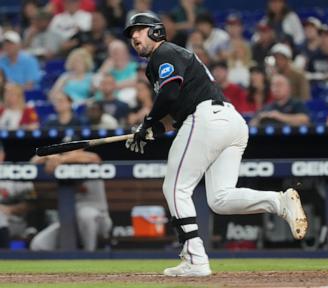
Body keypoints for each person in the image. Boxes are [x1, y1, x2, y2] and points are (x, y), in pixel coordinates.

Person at [123, 13, 308, 277]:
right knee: (220, 199)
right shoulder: (168, 58)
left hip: (206, 120)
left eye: (139, 31)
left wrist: (147, 121)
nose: (135, 38)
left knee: (175, 188)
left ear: (156, 32)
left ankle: (195, 258)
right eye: (131, 35)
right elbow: (175, 107)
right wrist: (152, 128)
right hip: (228, 121)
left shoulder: (165, 52)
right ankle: (279, 202)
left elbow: (170, 94)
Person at [30, 143, 112, 251]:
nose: (69, 151)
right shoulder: (60, 164)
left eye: (72, 148)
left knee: (86, 215)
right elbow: (32, 162)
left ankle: (90, 257)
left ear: (81, 149)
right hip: (69, 222)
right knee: (38, 244)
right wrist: (49, 156)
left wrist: (62, 158)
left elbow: (94, 158)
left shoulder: (88, 160)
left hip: (99, 220)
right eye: (66, 149)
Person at [0, 141, 36, 248]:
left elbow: (33, 202)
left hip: (13, 222)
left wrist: (10, 209)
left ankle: (5, 255)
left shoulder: (15, 173)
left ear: (2, 154)